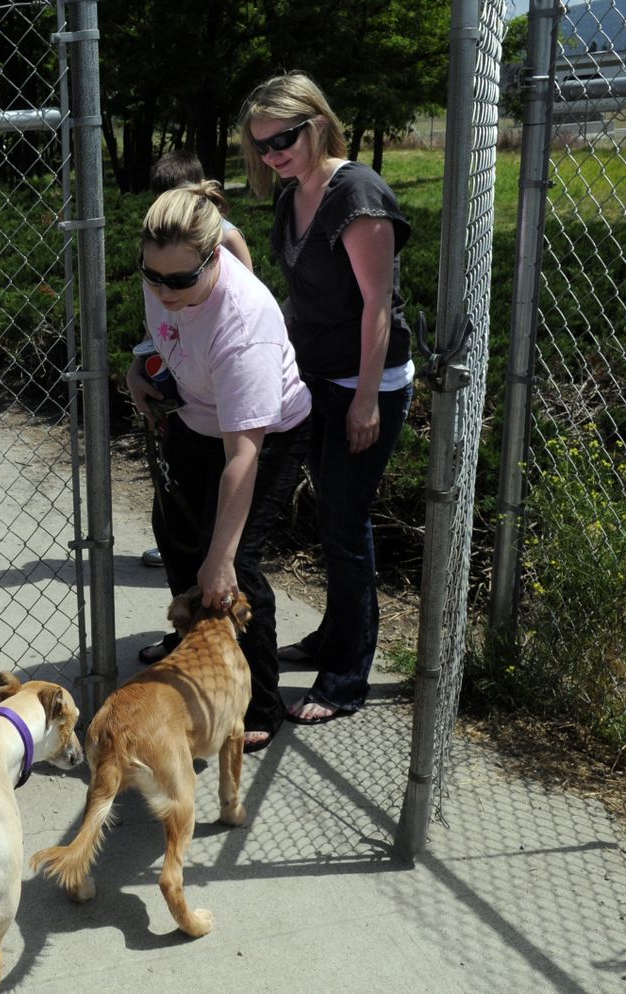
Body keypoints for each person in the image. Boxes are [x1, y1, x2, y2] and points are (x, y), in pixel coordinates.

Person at [238, 72, 415, 726]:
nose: (273, 152)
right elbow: (303, 295)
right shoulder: (293, 192)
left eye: (284, 137)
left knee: (345, 527)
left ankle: (346, 678)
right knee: (330, 518)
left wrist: (366, 399)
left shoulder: (358, 193)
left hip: (362, 384)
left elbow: (377, 307)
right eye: (261, 144)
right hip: (314, 378)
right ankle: (329, 640)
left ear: (317, 123)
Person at [127, 182, 312, 752]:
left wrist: (222, 558)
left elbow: (244, 455)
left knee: (234, 568)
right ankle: (195, 650)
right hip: (195, 416)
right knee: (177, 536)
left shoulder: (245, 322)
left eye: (181, 280)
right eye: (152, 275)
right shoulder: (168, 271)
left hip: (265, 435)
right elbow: (163, 331)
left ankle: (260, 700)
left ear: (214, 259)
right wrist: (141, 366)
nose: (163, 289)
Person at [139, 149, 253, 570]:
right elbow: (161, 322)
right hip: (186, 393)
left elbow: (237, 312)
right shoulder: (157, 248)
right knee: (176, 512)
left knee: (219, 513)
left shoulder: (225, 240)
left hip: (225, 398)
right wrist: (144, 364)